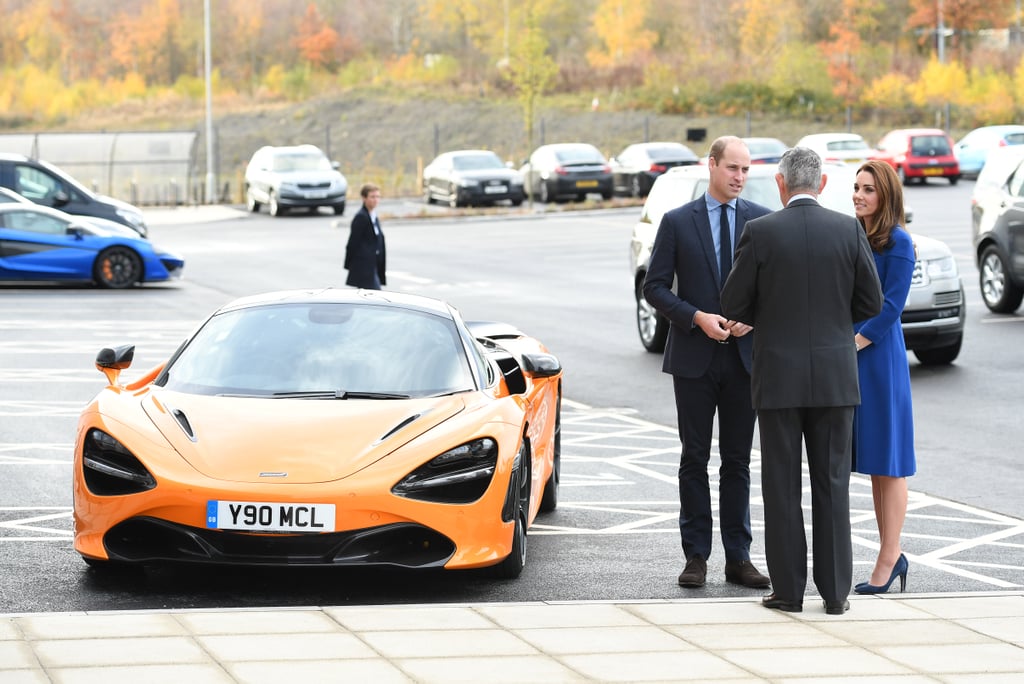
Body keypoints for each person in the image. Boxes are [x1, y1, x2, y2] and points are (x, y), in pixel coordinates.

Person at [720, 146, 883, 615]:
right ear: (824, 184)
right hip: (835, 376)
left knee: (781, 485)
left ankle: (788, 592)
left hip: (777, 379)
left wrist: (765, 317)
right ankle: (835, 595)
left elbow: (734, 303)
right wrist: (833, 327)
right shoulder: (848, 229)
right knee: (832, 483)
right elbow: (870, 304)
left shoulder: (760, 232)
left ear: (780, 183)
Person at [643, 136, 772, 590]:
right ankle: (695, 556)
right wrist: (695, 317)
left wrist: (749, 321)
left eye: (746, 171)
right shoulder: (678, 222)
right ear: (712, 165)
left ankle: (739, 557)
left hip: (742, 361)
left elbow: (771, 289)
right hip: (694, 357)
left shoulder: (761, 221)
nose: (740, 177)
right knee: (693, 459)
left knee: (737, 462)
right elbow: (655, 287)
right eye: (733, 168)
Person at [850, 160, 916, 594]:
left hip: (879, 357)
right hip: (852, 353)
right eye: (856, 187)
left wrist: (854, 342)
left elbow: (891, 307)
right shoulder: (852, 234)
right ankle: (889, 552)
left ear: (885, 196)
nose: (858, 195)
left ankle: (890, 556)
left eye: (868, 189)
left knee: (889, 464)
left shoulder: (899, 242)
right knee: (873, 461)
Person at [345, 183, 386, 289]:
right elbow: (352, 242)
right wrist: (350, 265)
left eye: (378, 197)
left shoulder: (373, 215)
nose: (375, 200)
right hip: (364, 267)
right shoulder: (361, 217)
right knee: (375, 296)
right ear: (364, 198)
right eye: (372, 197)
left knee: (368, 298)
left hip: (373, 265)